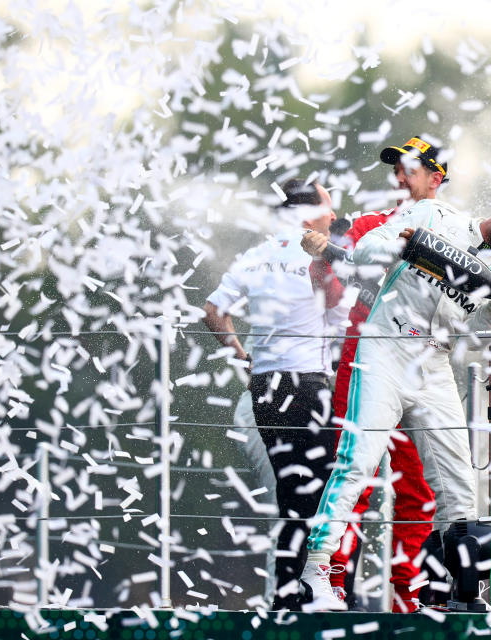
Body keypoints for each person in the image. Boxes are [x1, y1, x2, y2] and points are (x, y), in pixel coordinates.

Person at [300, 194, 491, 611]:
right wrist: (408, 243)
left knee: (459, 485)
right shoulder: (437, 214)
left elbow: (468, 340)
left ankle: (467, 591)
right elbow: (363, 251)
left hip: (433, 363)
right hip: (385, 347)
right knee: (358, 460)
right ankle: (316, 571)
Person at [302, 135, 448, 612]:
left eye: (411, 169)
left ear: (436, 178)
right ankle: (332, 586)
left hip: (423, 369)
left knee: (419, 488)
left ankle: (407, 595)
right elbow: (327, 276)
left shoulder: (454, 234)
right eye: (397, 170)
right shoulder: (369, 225)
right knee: (355, 475)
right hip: (364, 361)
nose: (401, 178)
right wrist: (320, 248)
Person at [202, 179, 353, 610]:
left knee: (291, 491)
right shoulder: (322, 260)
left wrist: (242, 355)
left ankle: (286, 595)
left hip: (266, 385)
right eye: (328, 206)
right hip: (308, 383)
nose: (333, 214)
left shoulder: (257, 255)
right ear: (308, 215)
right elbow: (343, 313)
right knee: (320, 489)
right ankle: (307, 590)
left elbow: (213, 311)